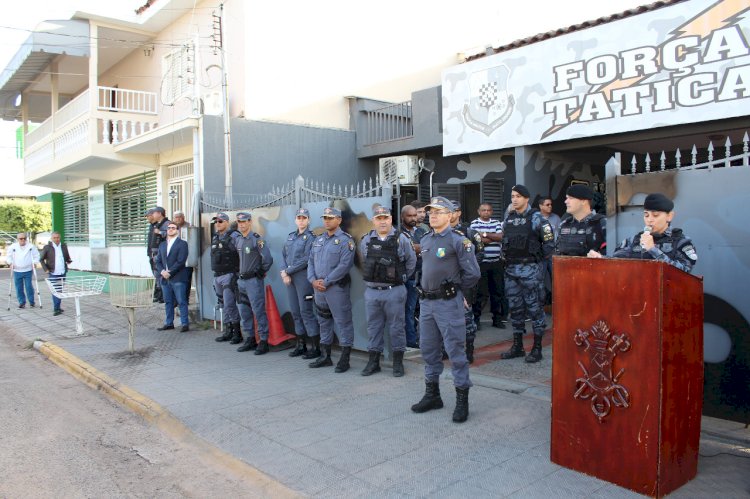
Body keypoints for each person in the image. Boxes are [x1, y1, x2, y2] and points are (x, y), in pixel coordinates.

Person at [411, 196, 480, 423]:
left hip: (448, 304)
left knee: (456, 353)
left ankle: (462, 400)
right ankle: (433, 395)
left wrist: (457, 292)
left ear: (450, 216)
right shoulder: (427, 239)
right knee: (429, 350)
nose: (433, 215)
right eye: (431, 212)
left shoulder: (459, 241)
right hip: (427, 303)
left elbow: (473, 274)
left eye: (439, 212)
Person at [499, 185, 554, 364]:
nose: (514, 199)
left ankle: (537, 348)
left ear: (526, 199)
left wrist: (538, 265)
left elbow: (549, 244)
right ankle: (518, 346)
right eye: (513, 196)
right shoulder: (509, 217)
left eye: (518, 196)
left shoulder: (537, 218)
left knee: (534, 309)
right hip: (511, 270)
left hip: (530, 271)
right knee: (515, 309)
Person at [360, 205, 417, 377]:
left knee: (397, 327)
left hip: (394, 291)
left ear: (391, 219)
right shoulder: (367, 240)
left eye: (385, 218)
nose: (382, 221)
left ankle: (398, 363)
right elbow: (365, 259)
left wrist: (402, 279)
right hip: (372, 291)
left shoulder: (402, 239)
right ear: (373, 220)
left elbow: (411, 261)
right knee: (374, 327)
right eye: (379, 218)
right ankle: (373, 362)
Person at [307, 207, 356, 372]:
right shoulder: (318, 240)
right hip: (318, 289)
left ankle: (345, 358)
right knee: (323, 321)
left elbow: (344, 265)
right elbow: (310, 262)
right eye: (325, 218)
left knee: (343, 322)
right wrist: (313, 280)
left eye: (330, 218)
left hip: (336, 288)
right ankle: (325, 356)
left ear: (339, 220)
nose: (327, 220)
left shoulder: (345, 241)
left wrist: (326, 282)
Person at [610, 193, 697, 273]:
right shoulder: (634, 240)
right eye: (646, 215)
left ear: (669, 216)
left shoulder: (681, 242)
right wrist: (600, 257)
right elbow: (615, 263)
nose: (649, 220)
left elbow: (684, 272)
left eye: (655, 215)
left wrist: (653, 250)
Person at [281, 208, 321, 358]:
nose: (301, 220)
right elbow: (283, 255)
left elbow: (306, 259)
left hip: (302, 278)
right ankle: (301, 344)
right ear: (295, 220)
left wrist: (288, 271)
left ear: (308, 220)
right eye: (299, 218)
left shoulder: (311, 238)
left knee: (306, 312)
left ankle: (316, 347)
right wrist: (283, 271)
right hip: (290, 279)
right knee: (296, 312)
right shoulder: (291, 237)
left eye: (304, 218)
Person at [233, 212, 274, 355]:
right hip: (241, 281)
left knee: (258, 311)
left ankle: (263, 340)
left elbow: (267, 259)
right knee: (244, 311)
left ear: (250, 222)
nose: (241, 224)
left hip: (253, 282)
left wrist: (259, 272)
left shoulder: (256, 239)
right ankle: (250, 338)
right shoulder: (238, 240)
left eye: (244, 221)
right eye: (239, 222)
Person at [449, 202, 483, 364]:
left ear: (459, 213)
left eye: (454, 211)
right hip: (446, 282)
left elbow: (479, 253)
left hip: (464, 283)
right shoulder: (439, 233)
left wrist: (466, 269)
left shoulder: (469, 232)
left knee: (466, 318)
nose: (451, 214)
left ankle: (469, 350)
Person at [470, 202, 508, 330]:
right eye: (483, 210)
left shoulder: (497, 223)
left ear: (491, 212)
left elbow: (501, 237)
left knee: (497, 292)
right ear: (479, 211)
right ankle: (476, 319)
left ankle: (497, 319)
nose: (486, 212)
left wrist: (484, 234)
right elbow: (477, 240)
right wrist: (493, 237)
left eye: (488, 210)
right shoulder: (474, 224)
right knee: (481, 293)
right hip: (482, 264)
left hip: (496, 263)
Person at [211, 212, 243, 344]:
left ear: (226, 223)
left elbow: (242, 255)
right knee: (223, 304)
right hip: (217, 276)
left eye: (220, 221)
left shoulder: (234, 236)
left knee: (230, 304)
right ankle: (228, 331)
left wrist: (238, 274)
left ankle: (237, 332)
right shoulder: (215, 237)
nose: (217, 224)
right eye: (216, 222)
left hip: (229, 275)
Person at [155, 222, 190, 332]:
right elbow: (158, 261)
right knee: (168, 301)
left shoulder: (182, 244)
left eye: (173, 228)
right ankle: (169, 323)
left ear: (177, 231)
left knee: (181, 301)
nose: (170, 229)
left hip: (178, 277)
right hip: (165, 278)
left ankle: (185, 324)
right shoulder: (162, 245)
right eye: (168, 228)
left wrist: (170, 272)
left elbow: (181, 261)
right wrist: (162, 271)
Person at [400, 204, 426, 348]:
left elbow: (428, 247)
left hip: (423, 275)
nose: (413, 218)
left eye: (414, 215)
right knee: (409, 309)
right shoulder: (399, 233)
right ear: (403, 217)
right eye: (409, 216)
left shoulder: (421, 231)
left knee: (422, 309)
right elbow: (407, 250)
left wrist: (417, 248)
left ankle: (421, 337)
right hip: (409, 277)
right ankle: (411, 339)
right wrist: (417, 248)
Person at [556, 184, 606, 257]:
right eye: (566, 198)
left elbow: (614, 255)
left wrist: (600, 256)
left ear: (583, 201)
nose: (566, 201)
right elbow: (557, 252)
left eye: (570, 198)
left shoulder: (602, 223)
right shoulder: (564, 224)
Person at [39, 232, 73, 316]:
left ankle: (58, 307)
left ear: (60, 238)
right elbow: (41, 259)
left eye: (58, 237)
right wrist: (46, 269)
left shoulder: (64, 246)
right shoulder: (47, 247)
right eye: (54, 238)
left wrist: (68, 261)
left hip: (62, 272)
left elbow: (67, 257)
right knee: (55, 290)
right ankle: (56, 309)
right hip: (53, 272)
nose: (56, 239)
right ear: (51, 238)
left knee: (60, 290)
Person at [6, 233, 40, 309]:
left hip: (28, 270)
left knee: (29, 286)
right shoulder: (13, 247)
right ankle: (22, 302)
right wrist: (10, 263)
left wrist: (34, 262)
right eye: (21, 238)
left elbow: (36, 256)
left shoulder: (31, 246)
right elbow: (8, 257)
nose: (23, 240)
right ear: (17, 239)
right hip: (17, 270)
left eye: (24, 238)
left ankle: (31, 302)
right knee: (19, 287)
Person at [147, 207, 170, 304]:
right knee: (157, 275)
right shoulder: (156, 225)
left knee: (161, 274)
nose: (152, 215)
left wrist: (160, 232)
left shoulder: (167, 223)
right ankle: (159, 295)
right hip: (154, 253)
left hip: (162, 253)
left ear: (159, 213)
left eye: (154, 213)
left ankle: (164, 296)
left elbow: (171, 234)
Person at [172, 210, 194, 304]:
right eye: (176, 217)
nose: (178, 219)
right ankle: (176, 300)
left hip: (187, 258)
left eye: (179, 217)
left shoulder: (189, 227)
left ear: (183, 217)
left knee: (186, 280)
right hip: (175, 259)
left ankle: (185, 299)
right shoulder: (171, 228)